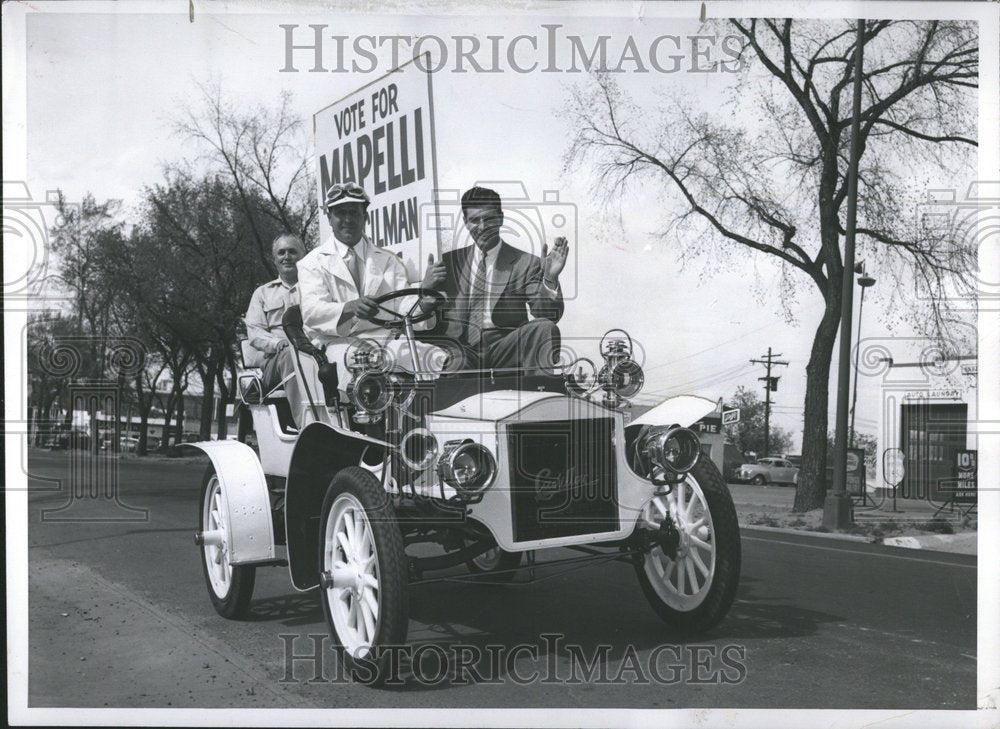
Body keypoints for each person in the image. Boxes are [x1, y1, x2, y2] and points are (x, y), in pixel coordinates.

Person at [298, 182, 449, 383]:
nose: (348, 219)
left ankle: (426, 412)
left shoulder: (388, 260)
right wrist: (349, 308)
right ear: (329, 218)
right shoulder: (311, 263)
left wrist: (423, 301)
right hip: (338, 344)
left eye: (354, 212)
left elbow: (403, 307)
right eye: (340, 213)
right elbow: (312, 312)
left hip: (385, 341)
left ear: (365, 217)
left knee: (437, 359)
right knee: (362, 375)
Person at [423, 185, 568, 374]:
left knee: (544, 328)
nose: (482, 227)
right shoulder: (447, 264)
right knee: (448, 356)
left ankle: (537, 392)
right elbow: (424, 321)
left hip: (504, 347)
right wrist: (425, 290)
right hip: (459, 350)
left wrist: (549, 279)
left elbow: (549, 315)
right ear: (466, 223)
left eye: (489, 218)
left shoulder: (526, 262)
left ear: (500, 218)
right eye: (475, 220)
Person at [244, 233, 307, 420]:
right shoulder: (262, 293)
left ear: (304, 257)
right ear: (274, 260)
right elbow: (254, 333)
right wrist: (278, 343)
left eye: (292, 252)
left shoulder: (316, 290)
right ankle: (306, 425)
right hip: (276, 363)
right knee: (290, 354)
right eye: (281, 253)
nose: (287, 256)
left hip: (313, 357)